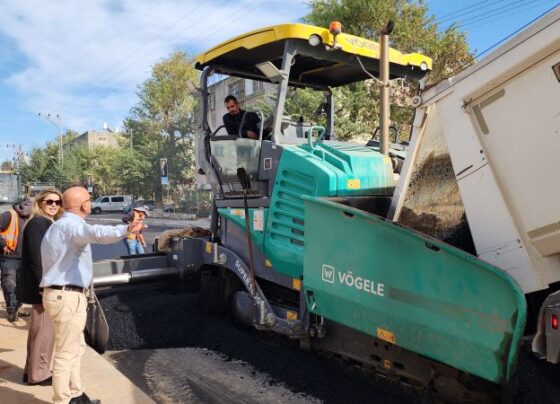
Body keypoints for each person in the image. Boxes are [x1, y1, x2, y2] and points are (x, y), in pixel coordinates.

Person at [40, 186, 143, 404]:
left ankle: (76, 395)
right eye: (89, 199)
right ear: (84, 205)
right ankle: (62, 400)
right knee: (66, 353)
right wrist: (125, 230)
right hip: (66, 296)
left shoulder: (60, 226)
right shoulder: (71, 226)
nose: (90, 202)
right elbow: (96, 233)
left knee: (75, 347)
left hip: (63, 295)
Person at [19, 189, 63, 386]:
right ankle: (39, 373)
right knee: (45, 332)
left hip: (42, 284)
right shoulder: (39, 223)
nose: (54, 205)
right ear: (40, 203)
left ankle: (32, 371)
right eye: (49, 201)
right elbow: (38, 259)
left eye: (58, 202)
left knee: (40, 331)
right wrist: (45, 285)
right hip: (43, 286)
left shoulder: (44, 223)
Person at [0, 199, 32, 322]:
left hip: (25, 258)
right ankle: (12, 310)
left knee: (21, 285)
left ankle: (17, 307)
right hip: (9, 257)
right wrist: (2, 244)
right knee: (9, 284)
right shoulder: (9, 215)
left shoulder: (31, 217)